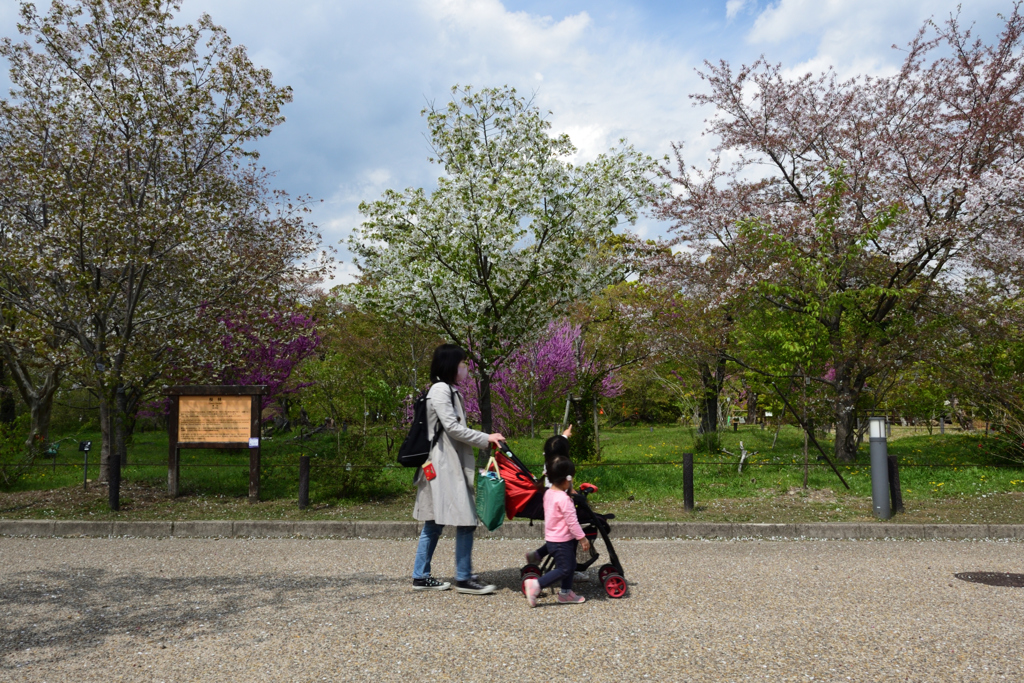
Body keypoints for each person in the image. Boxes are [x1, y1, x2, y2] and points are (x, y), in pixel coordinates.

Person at [412, 344, 505, 594]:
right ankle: (463, 578)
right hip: (443, 465)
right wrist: (486, 437)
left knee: (434, 522)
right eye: (462, 363)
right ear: (451, 365)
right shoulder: (440, 390)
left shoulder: (445, 389)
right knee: (465, 519)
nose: (465, 368)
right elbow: (452, 428)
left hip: (443, 463)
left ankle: (421, 576)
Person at [523, 456, 590, 607]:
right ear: (567, 480)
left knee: (570, 565)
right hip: (562, 541)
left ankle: (566, 593)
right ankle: (536, 585)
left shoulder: (548, 493)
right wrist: (582, 538)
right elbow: (572, 522)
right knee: (565, 568)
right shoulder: (564, 499)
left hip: (553, 539)